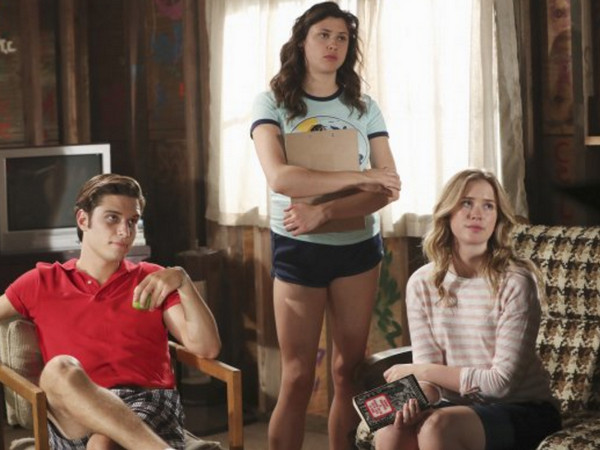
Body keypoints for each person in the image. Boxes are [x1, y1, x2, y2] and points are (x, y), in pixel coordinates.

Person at [250, 2, 401, 449]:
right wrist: (360, 176)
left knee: (347, 371)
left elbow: (387, 188)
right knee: (297, 376)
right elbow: (281, 178)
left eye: (342, 38)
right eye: (323, 35)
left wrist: (326, 211)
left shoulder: (364, 107)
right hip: (298, 248)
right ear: (302, 41)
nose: (333, 44)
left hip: (357, 247)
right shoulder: (272, 102)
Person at [0, 173, 221, 450]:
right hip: (75, 411)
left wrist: (184, 281)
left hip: (146, 403)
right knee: (58, 369)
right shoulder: (41, 282)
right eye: (112, 218)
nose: (125, 232)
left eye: (132, 221)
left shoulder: (151, 279)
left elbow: (207, 347)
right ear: (83, 220)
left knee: (103, 443)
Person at [374, 169, 561, 450]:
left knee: (438, 426)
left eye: (488, 206)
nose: (477, 214)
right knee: (390, 430)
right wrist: (416, 400)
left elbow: (500, 384)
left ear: (497, 218)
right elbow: (430, 381)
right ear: (447, 213)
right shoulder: (422, 283)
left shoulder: (517, 282)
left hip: (523, 408)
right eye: (466, 203)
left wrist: (420, 370)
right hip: (455, 406)